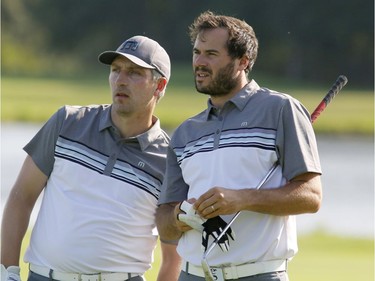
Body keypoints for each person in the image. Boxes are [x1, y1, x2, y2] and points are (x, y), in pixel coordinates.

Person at [156, 11, 322, 281]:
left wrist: (241, 199)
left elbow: (311, 196)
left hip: (259, 275)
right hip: (193, 275)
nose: (199, 62)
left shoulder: (280, 110)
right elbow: (164, 224)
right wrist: (180, 215)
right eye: (197, 52)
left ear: (242, 61)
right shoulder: (185, 133)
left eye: (211, 54)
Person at [1, 35, 181, 281]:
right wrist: (7, 271)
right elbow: (21, 197)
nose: (120, 80)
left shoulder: (169, 160)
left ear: (159, 86)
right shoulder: (67, 122)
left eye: (134, 73)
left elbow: (173, 254)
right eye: (116, 70)